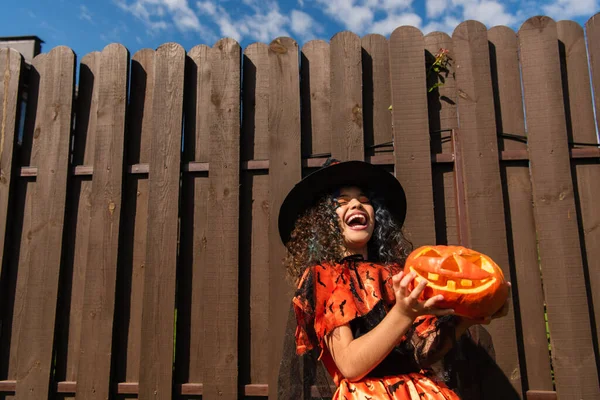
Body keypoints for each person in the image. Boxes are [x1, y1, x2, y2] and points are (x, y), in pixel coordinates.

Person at [278, 159, 509, 399]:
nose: (357, 203)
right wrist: (404, 313)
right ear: (323, 221)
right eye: (342, 201)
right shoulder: (323, 278)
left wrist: (465, 319)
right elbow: (350, 365)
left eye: (365, 200)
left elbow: (422, 354)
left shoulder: (396, 274)